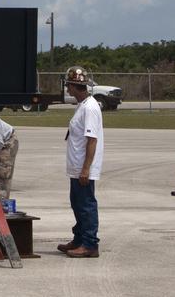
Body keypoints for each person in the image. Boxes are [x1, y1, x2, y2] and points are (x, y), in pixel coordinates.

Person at [59, 65, 104, 259]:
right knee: (77, 204)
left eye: (69, 85)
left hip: (83, 168)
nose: (67, 89)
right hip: (76, 167)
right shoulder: (83, 106)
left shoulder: (91, 108)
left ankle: (90, 244)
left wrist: (86, 169)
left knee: (86, 205)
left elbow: (92, 140)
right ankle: (78, 239)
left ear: (75, 86)